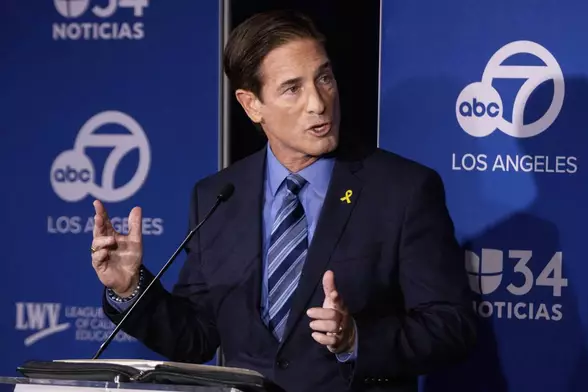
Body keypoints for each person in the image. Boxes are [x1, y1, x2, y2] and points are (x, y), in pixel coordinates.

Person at [90, 9, 477, 392]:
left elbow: (450, 326)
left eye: (324, 78)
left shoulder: (402, 190)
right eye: (293, 88)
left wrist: (357, 339)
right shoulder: (220, 195)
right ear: (251, 104)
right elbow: (196, 337)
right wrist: (130, 289)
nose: (318, 103)